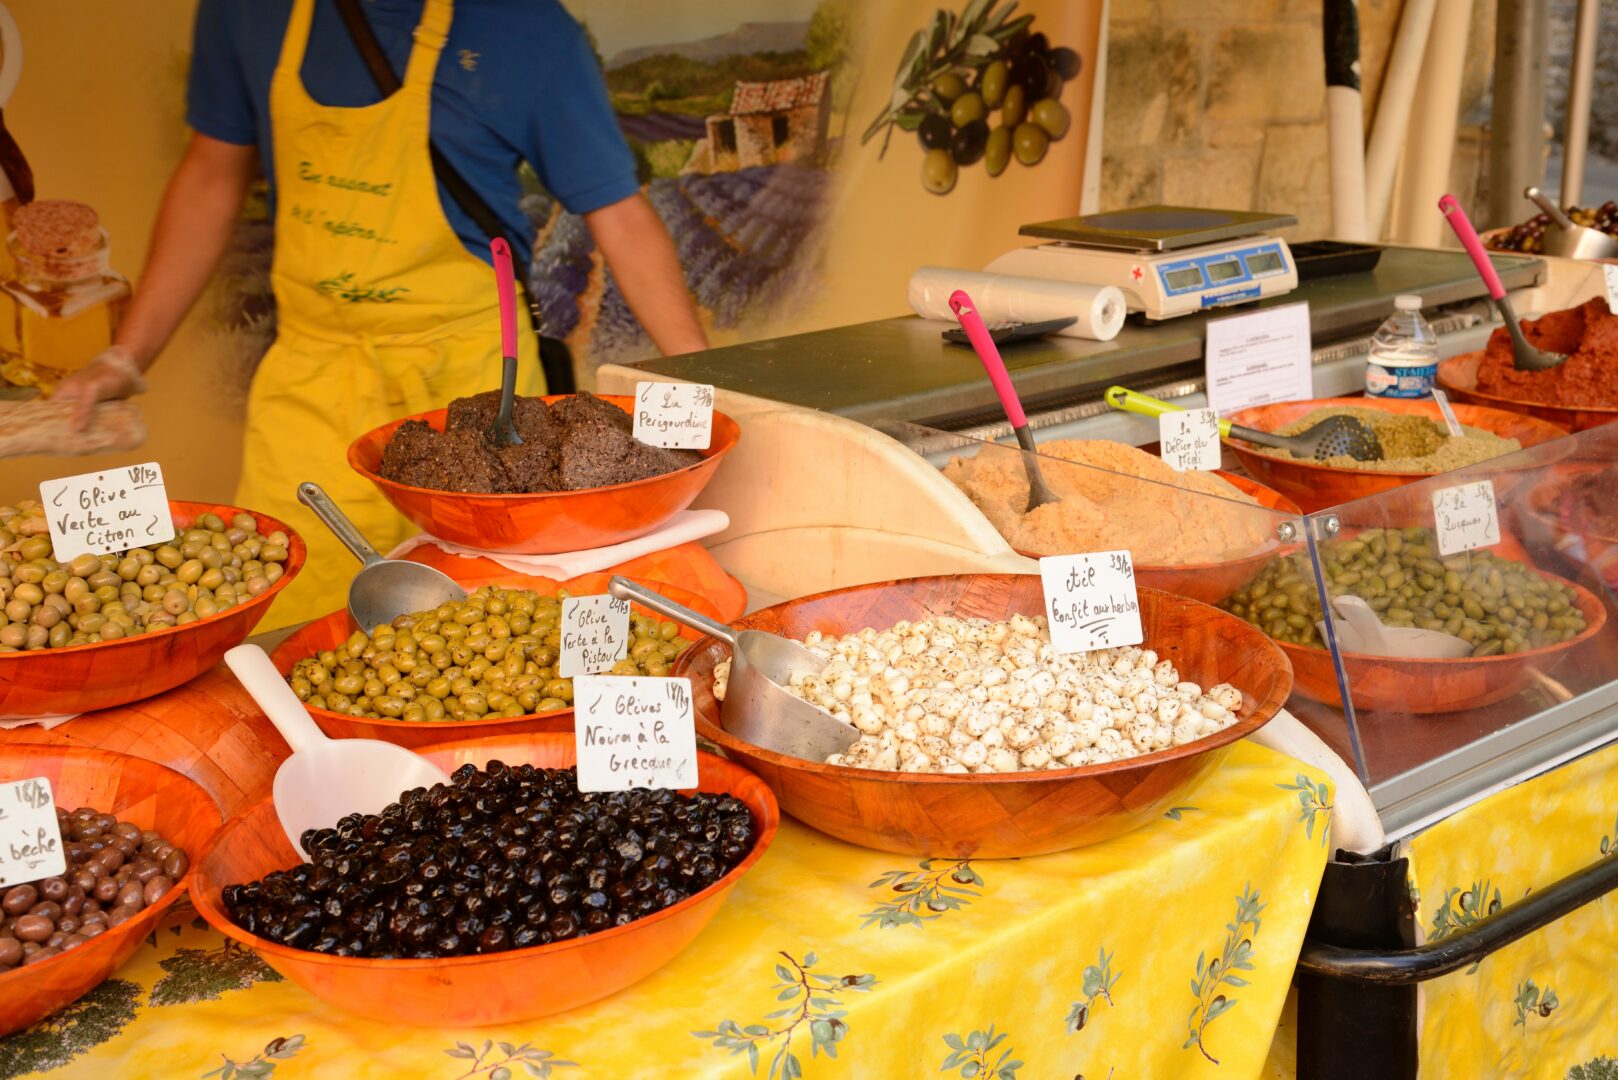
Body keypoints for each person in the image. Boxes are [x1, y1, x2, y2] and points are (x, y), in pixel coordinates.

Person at [53, 0, 707, 627]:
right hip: (313, 391)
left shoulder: (525, 26)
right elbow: (211, 175)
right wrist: (126, 356)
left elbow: (619, 214)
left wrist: (707, 385)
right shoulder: (250, 10)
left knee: (497, 626)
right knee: (294, 622)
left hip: (478, 395)